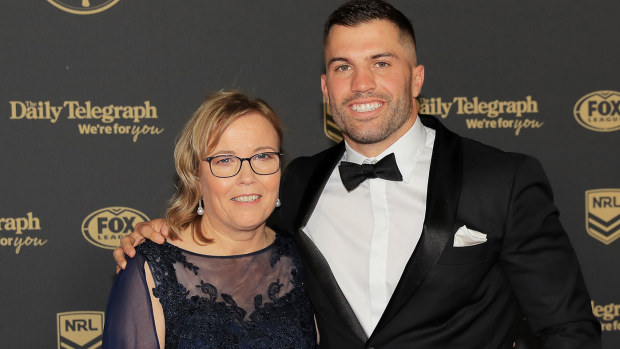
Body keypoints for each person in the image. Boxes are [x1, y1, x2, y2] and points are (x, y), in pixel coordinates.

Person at [115, 1, 601, 348]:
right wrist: (159, 235)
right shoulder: (298, 182)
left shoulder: (503, 179)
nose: (361, 84)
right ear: (326, 88)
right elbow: (232, 233)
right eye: (343, 67)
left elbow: (568, 330)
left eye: (381, 63)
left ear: (416, 78)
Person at [103, 91, 317, 348]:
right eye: (225, 160)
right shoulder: (152, 268)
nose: (247, 177)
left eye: (263, 156)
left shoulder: (305, 259)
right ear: (195, 175)